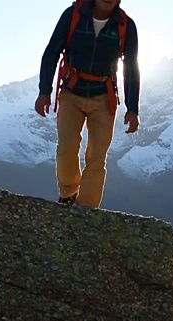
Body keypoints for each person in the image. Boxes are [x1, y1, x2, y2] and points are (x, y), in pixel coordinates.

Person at [34, 0, 140, 209]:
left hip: (104, 97)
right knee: (67, 148)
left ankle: (86, 209)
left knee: (97, 157)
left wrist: (132, 108)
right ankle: (68, 193)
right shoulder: (73, 15)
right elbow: (52, 52)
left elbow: (131, 67)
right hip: (72, 93)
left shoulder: (126, 25)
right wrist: (44, 91)